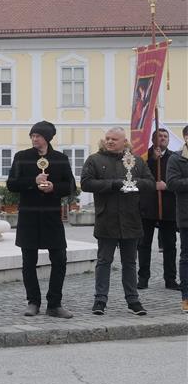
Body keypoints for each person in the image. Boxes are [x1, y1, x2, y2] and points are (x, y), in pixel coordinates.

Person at [81, 127, 154, 316]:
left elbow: (150, 183)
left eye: (114, 139)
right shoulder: (94, 159)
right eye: (107, 138)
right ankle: (100, 301)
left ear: (124, 141)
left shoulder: (136, 161)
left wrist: (132, 184)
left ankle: (133, 300)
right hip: (107, 219)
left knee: (130, 263)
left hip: (131, 218)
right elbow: (86, 183)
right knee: (104, 261)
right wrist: (114, 184)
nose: (110, 141)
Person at [7, 121, 76, 318]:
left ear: (47, 138)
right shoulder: (22, 157)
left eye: (38, 135)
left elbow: (70, 186)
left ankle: (54, 304)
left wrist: (53, 187)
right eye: (32, 135)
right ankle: (33, 302)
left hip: (51, 217)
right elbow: (11, 184)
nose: (34, 139)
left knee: (60, 260)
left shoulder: (60, 159)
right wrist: (32, 182)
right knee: (29, 262)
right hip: (29, 216)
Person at [137, 128, 179, 290]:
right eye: (159, 136)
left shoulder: (174, 157)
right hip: (148, 206)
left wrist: (166, 186)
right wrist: (154, 160)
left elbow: (178, 180)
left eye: (165, 136)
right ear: (153, 139)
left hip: (168, 207)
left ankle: (170, 279)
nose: (163, 139)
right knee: (144, 244)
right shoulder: (144, 157)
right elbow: (138, 177)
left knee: (170, 245)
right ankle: (143, 278)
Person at [166, 125, 188, 313]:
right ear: (186, 137)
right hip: (186, 216)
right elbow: (172, 183)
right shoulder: (176, 158)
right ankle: (186, 298)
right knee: (186, 257)